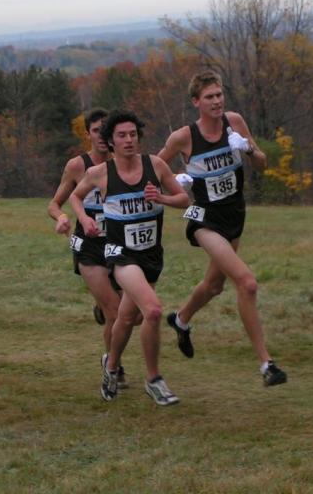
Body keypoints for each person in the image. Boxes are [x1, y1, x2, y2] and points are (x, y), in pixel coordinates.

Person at [157, 70, 287, 387]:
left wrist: (248, 149)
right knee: (247, 283)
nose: (216, 101)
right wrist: (177, 184)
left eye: (219, 95)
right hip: (204, 217)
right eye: (209, 97)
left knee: (214, 286)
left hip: (234, 213)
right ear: (196, 102)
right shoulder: (184, 137)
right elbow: (154, 168)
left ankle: (181, 319)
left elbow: (262, 164)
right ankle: (267, 365)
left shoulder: (235, 122)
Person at [70, 109, 189, 406]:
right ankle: (154, 379)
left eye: (133, 134)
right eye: (121, 135)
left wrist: (160, 198)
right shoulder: (99, 173)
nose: (128, 140)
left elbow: (184, 199)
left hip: (151, 256)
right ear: (110, 141)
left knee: (125, 317)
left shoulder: (156, 165)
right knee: (152, 310)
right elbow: (75, 195)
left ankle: (111, 367)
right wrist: (84, 219)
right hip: (120, 255)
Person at [47, 107, 128, 391]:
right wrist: (63, 218)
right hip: (89, 248)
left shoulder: (125, 163)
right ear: (88, 134)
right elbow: (54, 203)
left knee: (129, 314)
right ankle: (113, 367)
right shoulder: (77, 166)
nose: (103, 137)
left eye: (107, 130)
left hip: (120, 246)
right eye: (96, 131)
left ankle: (111, 353)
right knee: (116, 312)